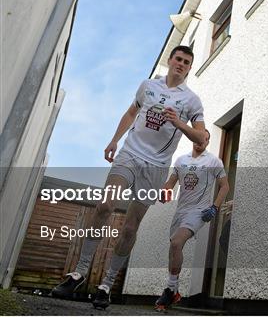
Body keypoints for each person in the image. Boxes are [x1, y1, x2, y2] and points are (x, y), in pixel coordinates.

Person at [52, 45, 206, 310]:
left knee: (131, 227)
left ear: (190, 67)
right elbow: (131, 113)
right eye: (178, 59)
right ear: (169, 61)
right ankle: (78, 273)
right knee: (104, 206)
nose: (181, 64)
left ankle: (106, 285)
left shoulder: (191, 100)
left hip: (156, 167)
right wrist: (114, 140)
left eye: (187, 62)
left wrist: (180, 123)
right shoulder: (148, 86)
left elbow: (201, 138)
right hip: (129, 155)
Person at [154, 129, 229, 311]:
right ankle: (175, 290)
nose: (200, 141)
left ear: (207, 142)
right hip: (180, 212)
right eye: (197, 137)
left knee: (177, 243)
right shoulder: (181, 161)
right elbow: (171, 183)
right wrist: (164, 192)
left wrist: (214, 207)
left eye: (204, 138)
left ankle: (169, 291)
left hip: (199, 211)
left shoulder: (213, 161)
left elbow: (225, 186)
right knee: (173, 249)